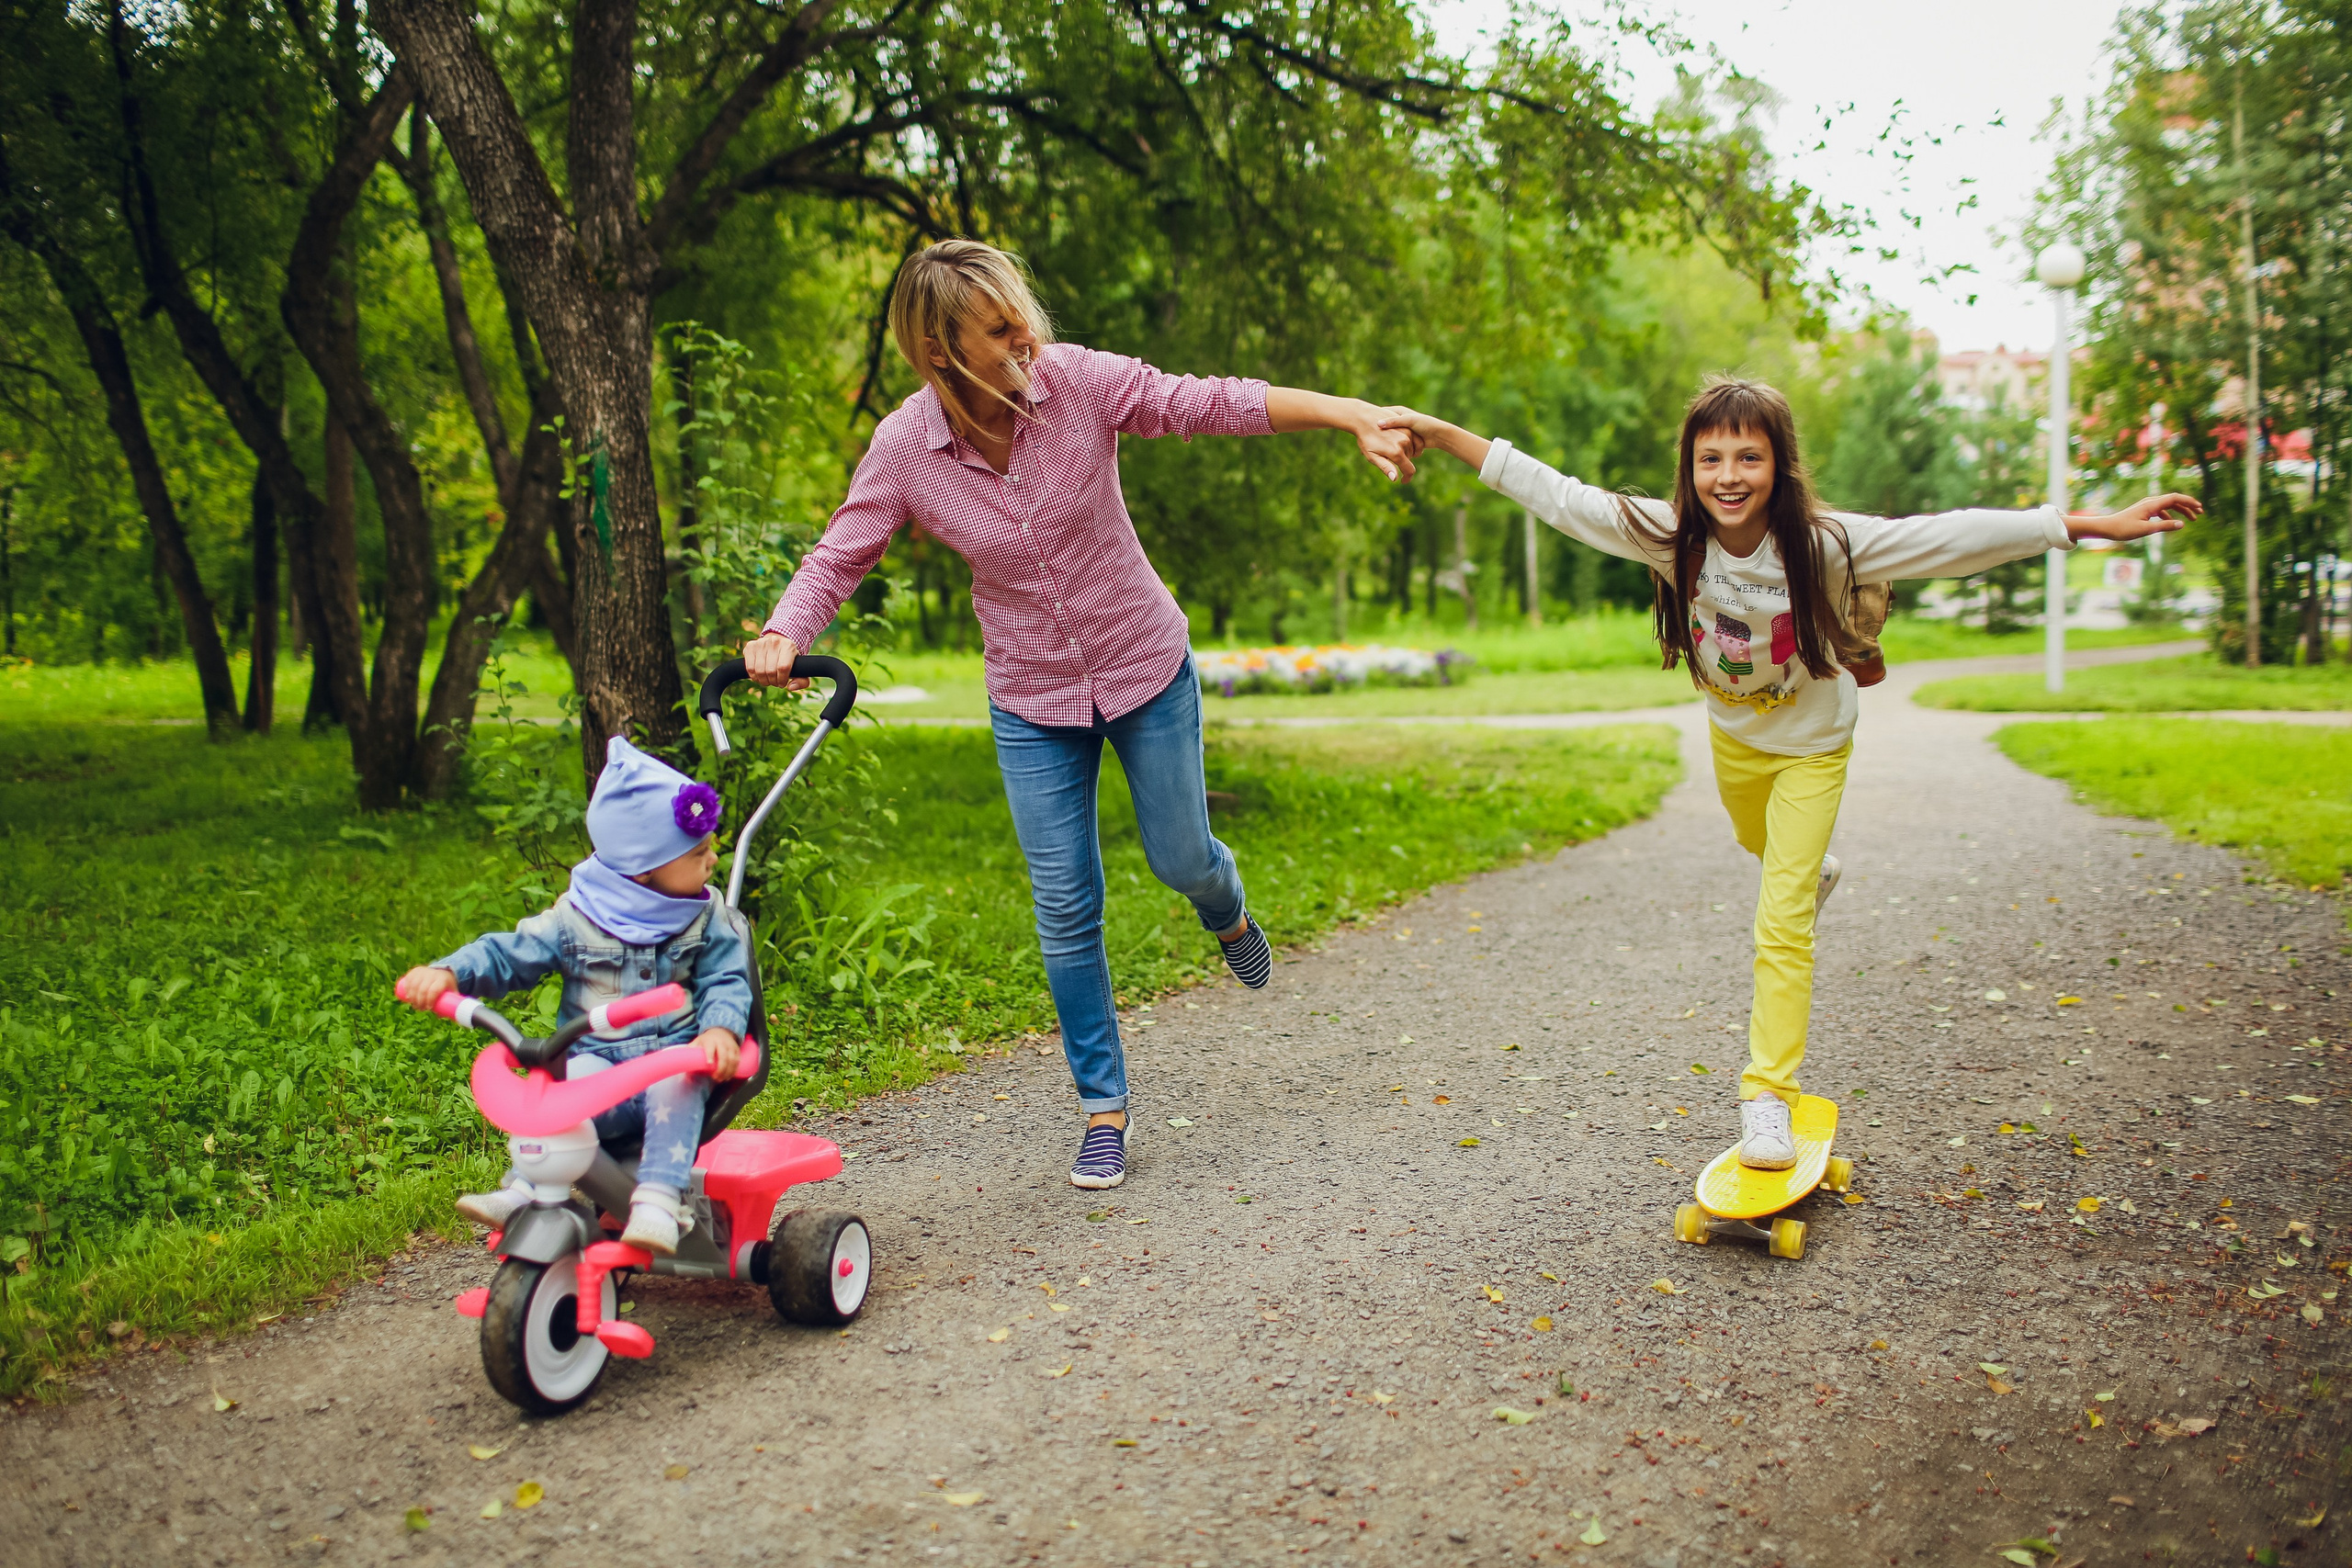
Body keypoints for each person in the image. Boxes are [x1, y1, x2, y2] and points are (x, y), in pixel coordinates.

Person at [1380, 378, 2199, 1168]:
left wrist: (2089, 525)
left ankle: (1766, 1098)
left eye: (1748, 458)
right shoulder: (1668, 535)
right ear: (1689, 469)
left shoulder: (1826, 543)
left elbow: (1953, 536)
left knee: (1780, 922)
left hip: (1813, 745)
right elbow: (1552, 491)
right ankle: (1811, 873)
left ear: (1779, 465)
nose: (1729, 477)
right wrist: (1443, 432)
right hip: (1734, 739)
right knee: (1762, 848)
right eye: (1711, 459)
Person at [743, 238, 1417, 1191]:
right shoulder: (905, 448)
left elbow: (1210, 401)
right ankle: (1103, 1108)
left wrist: (1345, 413)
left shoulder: (1078, 385)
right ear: (941, 353)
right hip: (1031, 699)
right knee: (1064, 905)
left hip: (1144, 665)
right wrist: (783, 632)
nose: (1027, 332)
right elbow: (840, 552)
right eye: (1000, 325)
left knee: (1181, 856)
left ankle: (1222, 909)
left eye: (1020, 310)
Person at [394, 737, 752, 1253]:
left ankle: (657, 1199)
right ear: (643, 868)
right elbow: (508, 954)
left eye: (711, 848)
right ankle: (528, 1188)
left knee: (679, 1082)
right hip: (598, 1066)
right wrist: (450, 972)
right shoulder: (576, 918)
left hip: (673, 1062)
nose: (713, 859)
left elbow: (726, 979)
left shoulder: (705, 915)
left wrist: (720, 1029)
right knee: (561, 1092)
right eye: (698, 852)